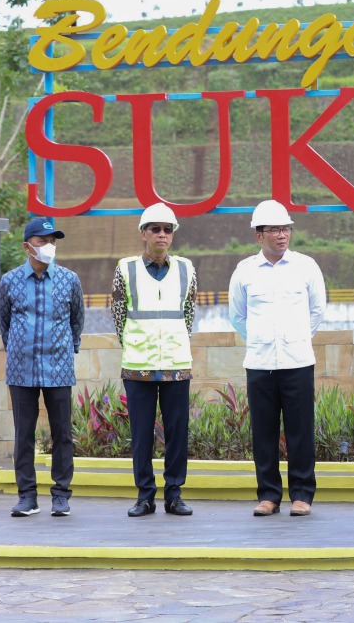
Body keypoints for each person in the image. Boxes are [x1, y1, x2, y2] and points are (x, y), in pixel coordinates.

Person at [229, 200, 326, 517]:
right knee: (263, 433)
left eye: (285, 229)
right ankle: (269, 494)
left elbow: (317, 312)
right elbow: (238, 317)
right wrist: (261, 341)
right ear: (259, 236)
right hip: (259, 365)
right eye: (274, 230)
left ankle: (302, 494)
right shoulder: (244, 272)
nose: (282, 235)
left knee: (301, 431)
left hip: (297, 362)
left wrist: (294, 339)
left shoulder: (306, 267)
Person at [111, 203, 197, 517]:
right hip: (138, 366)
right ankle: (144, 496)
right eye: (155, 229)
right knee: (142, 434)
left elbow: (189, 315)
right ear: (144, 233)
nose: (162, 234)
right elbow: (118, 316)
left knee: (177, 433)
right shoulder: (126, 268)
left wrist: (174, 345)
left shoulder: (187, 268)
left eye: (167, 229)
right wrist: (136, 345)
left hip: (176, 364)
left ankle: (174, 495)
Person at [0, 217, 85, 517]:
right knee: (24, 434)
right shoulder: (9, 281)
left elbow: (77, 321)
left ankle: (61, 495)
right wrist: (20, 349)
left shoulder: (69, 280)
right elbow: (5, 323)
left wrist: (65, 350)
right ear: (27, 246)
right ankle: (27, 496)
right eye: (42, 241)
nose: (49, 246)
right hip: (21, 370)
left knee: (62, 434)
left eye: (53, 241)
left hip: (59, 369)